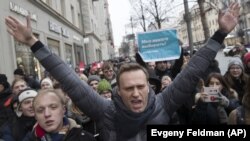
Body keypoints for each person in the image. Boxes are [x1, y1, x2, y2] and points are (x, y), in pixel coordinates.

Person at [5, 2, 240, 140]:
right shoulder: (104, 111)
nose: (136, 93)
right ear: (119, 91)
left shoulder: (164, 103)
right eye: (129, 88)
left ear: (149, 88)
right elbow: (67, 77)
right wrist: (34, 43)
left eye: (140, 87)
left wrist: (220, 34)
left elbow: (192, 72)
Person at [23, 89, 96, 141]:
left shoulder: (84, 138)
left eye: (53, 107)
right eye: (40, 110)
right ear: (35, 116)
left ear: (63, 110)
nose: (47, 114)